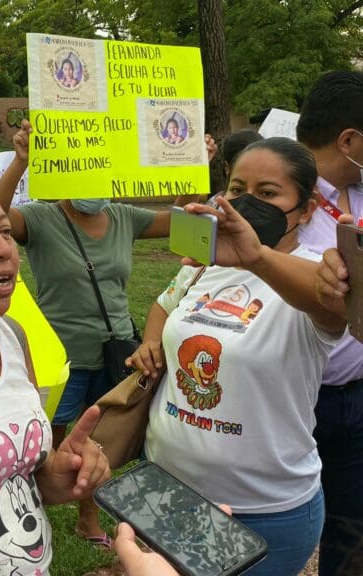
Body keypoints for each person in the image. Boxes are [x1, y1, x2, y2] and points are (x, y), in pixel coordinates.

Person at [130, 137, 346, 575]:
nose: (246, 203)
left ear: (305, 210)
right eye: (236, 188)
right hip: (167, 487)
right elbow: (166, 304)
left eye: (267, 194)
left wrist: (256, 258)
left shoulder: (316, 272)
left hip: (262, 511)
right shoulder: (205, 262)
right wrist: (151, 341)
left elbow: (331, 305)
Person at [0, 119, 209, 548]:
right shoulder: (40, 218)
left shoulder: (123, 217)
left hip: (115, 353)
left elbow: (186, 224)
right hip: (63, 359)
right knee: (49, 445)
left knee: (101, 441)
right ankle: (32, 513)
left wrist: (194, 164)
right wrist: (20, 162)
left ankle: (88, 518)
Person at [0, 174, 111, 575]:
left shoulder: (11, 336)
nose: (2, 248)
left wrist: (64, 474)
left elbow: (24, 480)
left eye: (5, 231)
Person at [295, 70, 363, 576]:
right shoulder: (272, 199)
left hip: (357, 398)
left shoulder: (359, 196)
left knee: (352, 525)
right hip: (291, 401)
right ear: (350, 140)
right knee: (274, 524)